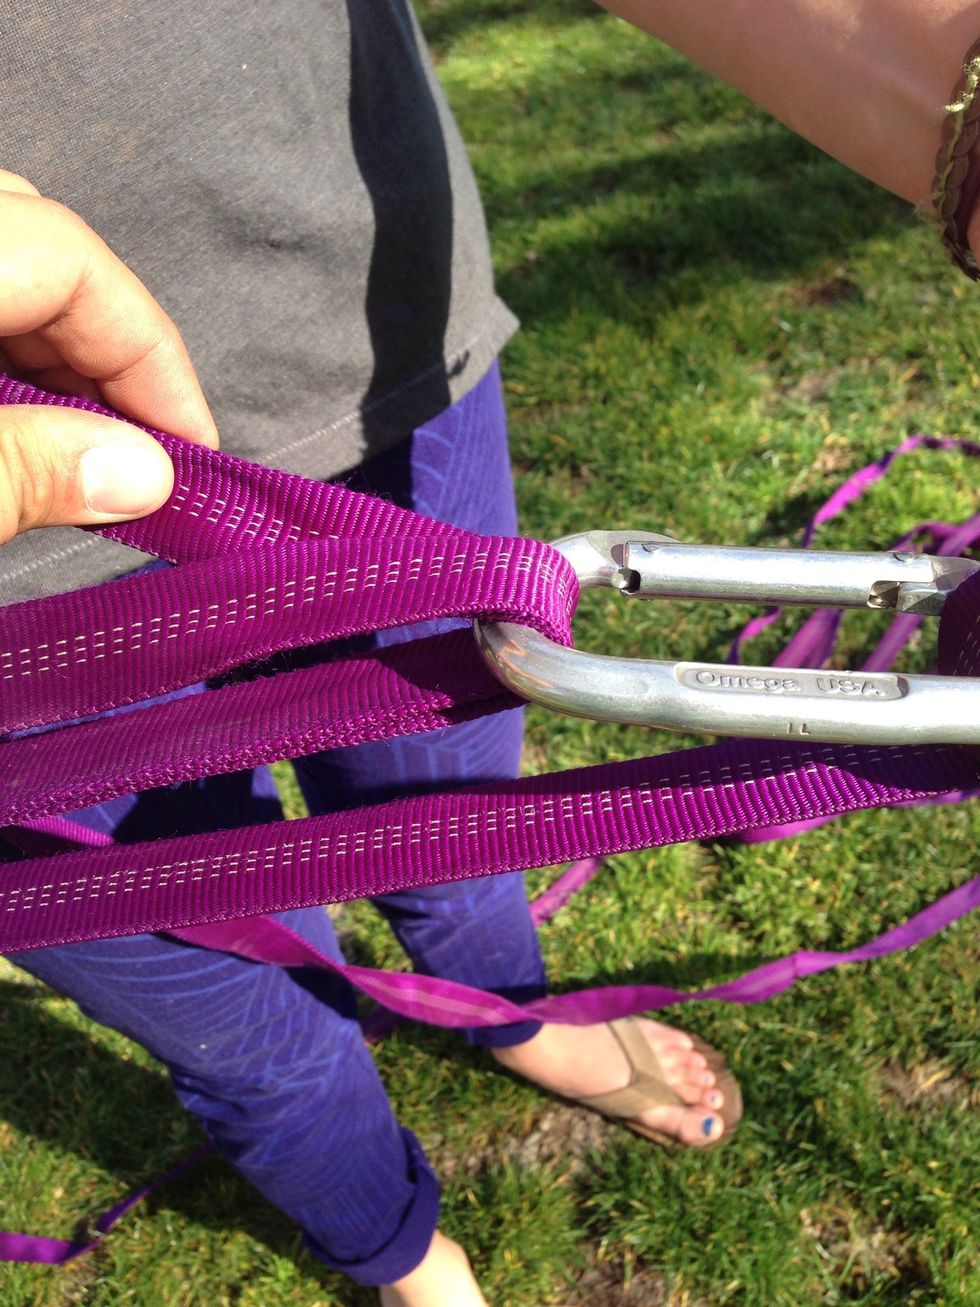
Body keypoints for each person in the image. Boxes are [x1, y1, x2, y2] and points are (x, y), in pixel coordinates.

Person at [0, 2, 977, 1302]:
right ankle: (398, 1249)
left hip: (367, 346)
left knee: (450, 828)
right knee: (237, 1008)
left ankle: (513, 1018)